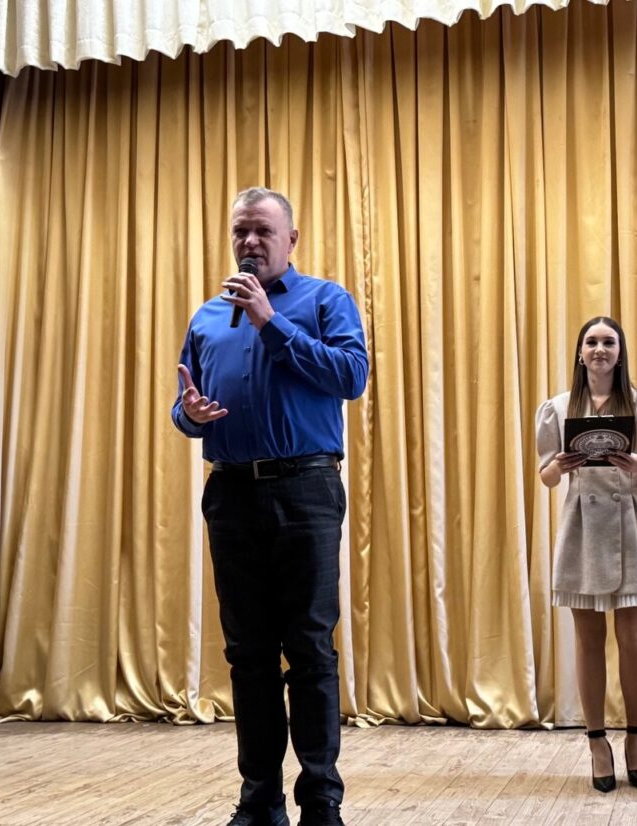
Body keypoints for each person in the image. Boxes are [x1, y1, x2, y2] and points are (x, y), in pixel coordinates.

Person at [172, 187, 368, 826]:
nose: (249, 242)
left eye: (262, 230)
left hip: (305, 489)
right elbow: (186, 404)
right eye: (240, 231)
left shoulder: (325, 300)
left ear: (291, 240)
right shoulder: (206, 317)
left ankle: (321, 802)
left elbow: (350, 378)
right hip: (231, 492)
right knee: (248, 655)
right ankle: (259, 800)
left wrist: (270, 323)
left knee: (309, 648)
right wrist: (189, 414)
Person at [535, 316, 637, 793]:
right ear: (580, 353)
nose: (599, 349)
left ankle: (636, 738)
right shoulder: (557, 408)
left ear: (620, 352)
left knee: (633, 640)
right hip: (581, 527)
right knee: (587, 640)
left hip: (631, 525)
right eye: (591, 342)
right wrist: (559, 465)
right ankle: (597, 742)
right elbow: (546, 478)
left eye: (608, 342)